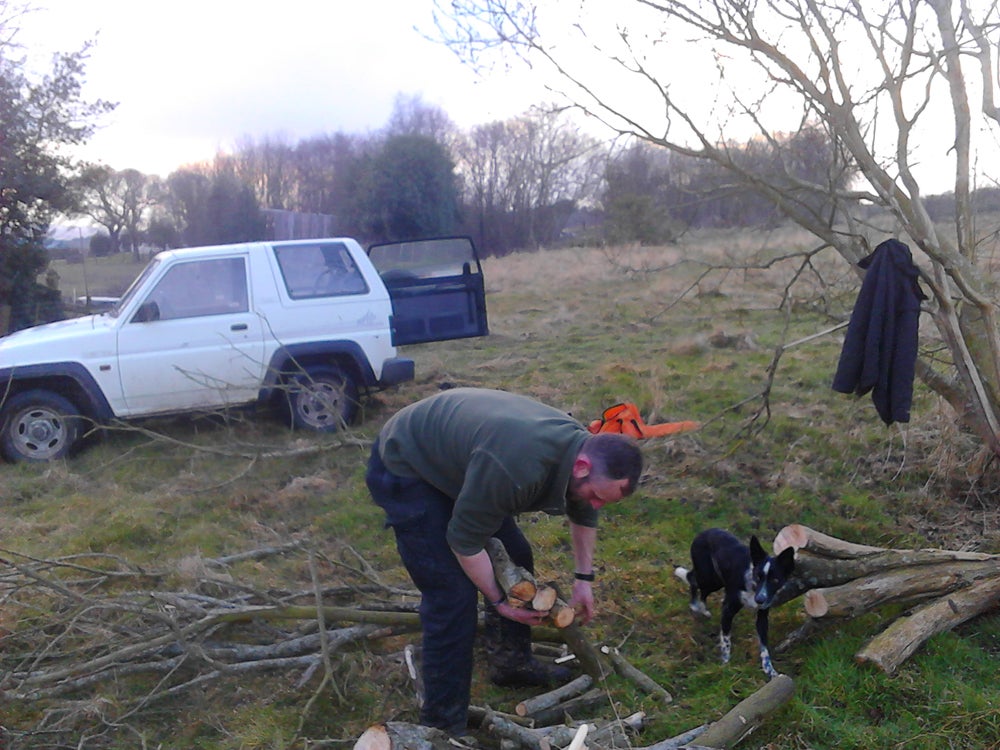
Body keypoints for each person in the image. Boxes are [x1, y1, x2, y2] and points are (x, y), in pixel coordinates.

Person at [365, 387, 644, 738]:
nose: (595, 505)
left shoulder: (582, 455)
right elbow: (464, 541)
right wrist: (500, 602)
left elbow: (584, 509)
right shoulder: (518, 469)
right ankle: (441, 726)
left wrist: (583, 579)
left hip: (466, 461)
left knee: (517, 557)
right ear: (583, 466)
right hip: (405, 464)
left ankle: (510, 662)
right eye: (596, 496)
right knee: (452, 596)